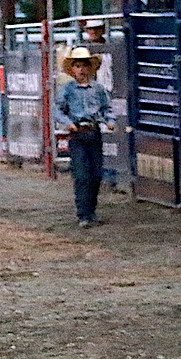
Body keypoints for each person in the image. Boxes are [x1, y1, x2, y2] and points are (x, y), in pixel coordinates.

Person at [56, 47, 115, 228]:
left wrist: (109, 121)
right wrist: (67, 122)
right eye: (78, 66)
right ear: (73, 69)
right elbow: (57, 109)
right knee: (82, 175)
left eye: (84, 66)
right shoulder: (68, 90)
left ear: (91, 68)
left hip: (93, 132)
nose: (81, 70)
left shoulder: (98, 89)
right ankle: (83, 214)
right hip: (77, 134)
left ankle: (91, 211)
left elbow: (107, 109)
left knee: (96, 174)